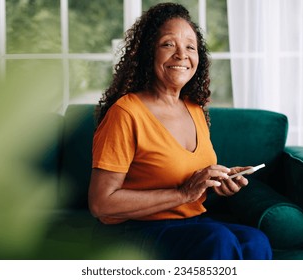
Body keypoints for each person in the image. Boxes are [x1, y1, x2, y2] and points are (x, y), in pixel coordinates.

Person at [88, 2, 272, 260]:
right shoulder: (126, 112)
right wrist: (183, 194)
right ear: (147, 53)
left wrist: (218, 179)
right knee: (218, 239)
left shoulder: (194, 108)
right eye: (168, 44)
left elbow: (186, 176)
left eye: (190, 46)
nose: (181, 55)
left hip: (189, 223)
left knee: (255, 241)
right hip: (131, 231)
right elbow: (101, 203)